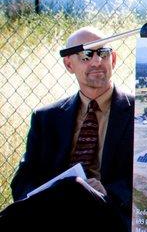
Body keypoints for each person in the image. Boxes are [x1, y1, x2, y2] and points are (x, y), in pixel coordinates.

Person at [1, 26, 133, 231]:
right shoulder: (46, 118)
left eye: (103, 53)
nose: (97, 61)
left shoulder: (138, 113)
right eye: (86, 54)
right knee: (67, 190)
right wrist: (46, 197)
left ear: (113, 59)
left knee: (75, 186)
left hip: (111, 214)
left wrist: (107, 190)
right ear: (68, 64)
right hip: (55, 216)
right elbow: (23, 180)